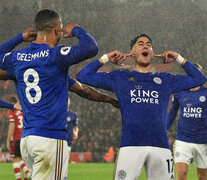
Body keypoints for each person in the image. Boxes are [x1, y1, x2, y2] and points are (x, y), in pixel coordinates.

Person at [76, 34, 206, 180]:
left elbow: (199, 79)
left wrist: (178, 58)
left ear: (152, 53)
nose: (145, 46)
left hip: (161, 147)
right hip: (130, 145)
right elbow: (83, 76)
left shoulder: (167, 80)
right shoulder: (120, 77)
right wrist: (106, 58)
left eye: (149, 44)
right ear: (131, 53)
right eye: (140, 44)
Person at [0, 9, 98, 180]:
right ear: (56, 29)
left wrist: (19, 38)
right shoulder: (55, 56)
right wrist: (76, 29)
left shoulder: (18, 57)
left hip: (28, 140)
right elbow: (91, 48)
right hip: (50, 137)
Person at [167, 63, 207, 180]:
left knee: (202, 176)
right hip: (183, 140)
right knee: (181, 175)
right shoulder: (180, 92)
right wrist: (163, 129)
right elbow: (173, 113)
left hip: (203, 141)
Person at [6, 96, 31, 180]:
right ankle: (27, 175)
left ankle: (28, 172)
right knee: (22, 159)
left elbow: (12, 125)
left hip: (16, 138)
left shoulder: (12, 110)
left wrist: (8, 140)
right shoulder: (22, 110)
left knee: (15, 159)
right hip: (25, 137)